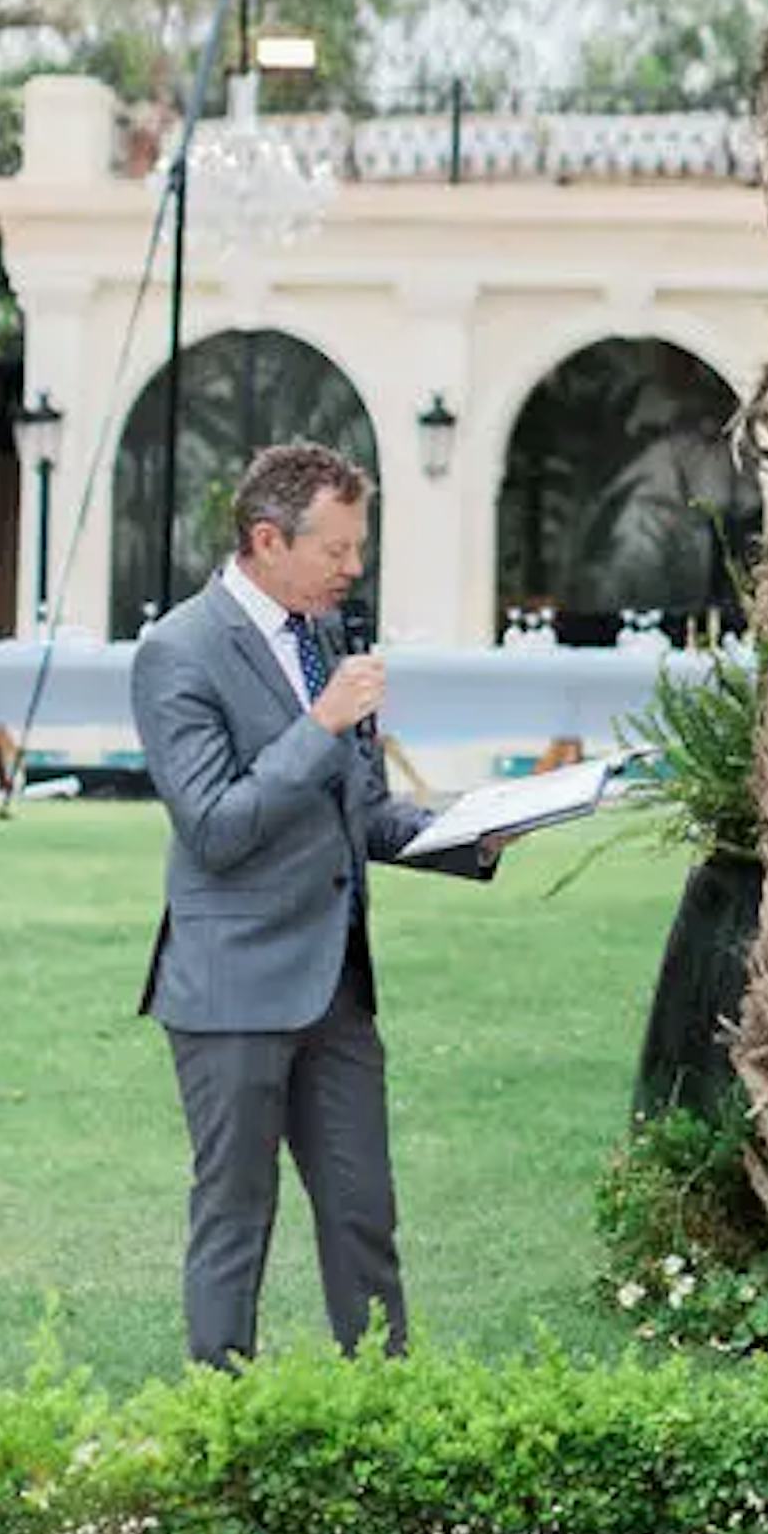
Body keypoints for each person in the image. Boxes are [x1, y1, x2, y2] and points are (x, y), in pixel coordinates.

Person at [132, 441, 456, 1367]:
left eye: (360, 548)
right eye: (338, 550)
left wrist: (473, 833)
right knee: (236, 1216)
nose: (355, 570)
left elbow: (361, 811)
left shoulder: (326, 640)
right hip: (231, 989)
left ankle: (385, 1413)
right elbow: (217, 826)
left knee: (365, 1214)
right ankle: (221, 1425)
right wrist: (323, 723)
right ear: (268, 539)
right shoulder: (177, 652)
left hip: (337, 992)